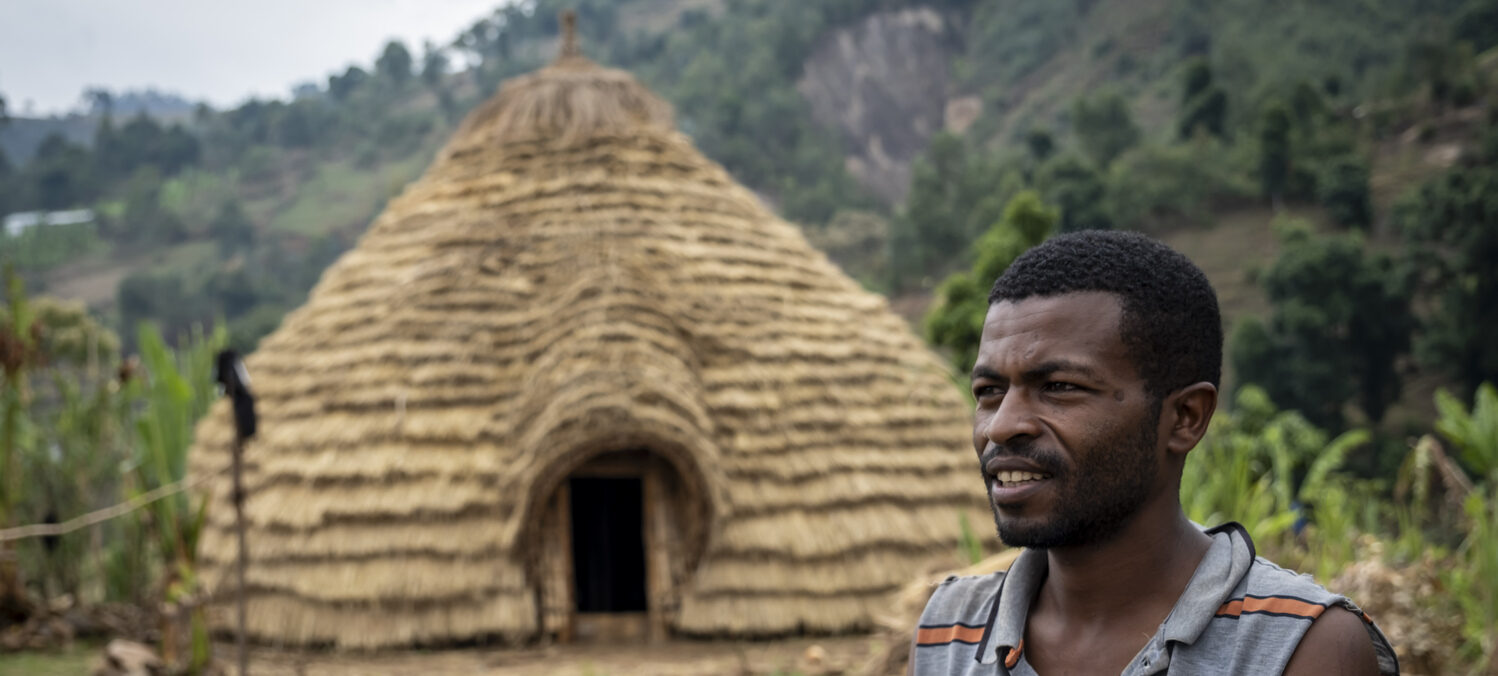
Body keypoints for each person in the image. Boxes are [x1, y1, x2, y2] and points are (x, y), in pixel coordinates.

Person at [910, 231, 1398, 675]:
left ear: (1185, 417)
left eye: (1059, 386)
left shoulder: (1299, 648)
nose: (1001, 425)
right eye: (989, 391)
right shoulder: (949, 630)